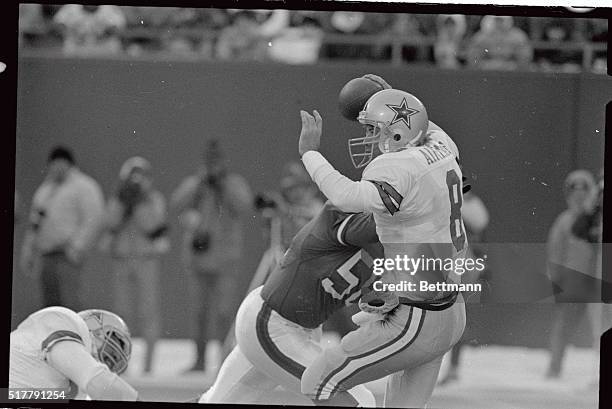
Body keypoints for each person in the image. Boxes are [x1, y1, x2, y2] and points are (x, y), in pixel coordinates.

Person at [298, 88, 467, 407]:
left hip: (419, 318)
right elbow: (420, 120)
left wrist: (310, 153)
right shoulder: (442, 145)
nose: (368, 137)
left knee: (317, 383)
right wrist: (386, 95)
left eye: (373, 129)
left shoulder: (399, 168)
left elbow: (346, 196)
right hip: (450, 309)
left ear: (399, 132)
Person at [199, 201, 380, 406]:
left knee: (217, 402)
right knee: (358, 400)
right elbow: (383, 222)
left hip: (297, 327)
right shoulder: (347, 209)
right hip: (273, 323)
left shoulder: (402, 246)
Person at [171, 140, 253, 374]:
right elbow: (176, 203)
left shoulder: (234, 184)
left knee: (224, 313)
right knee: (198, 313)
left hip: (225, 261)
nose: (213, 167)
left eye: (216, 162)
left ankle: (225, 362)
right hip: (198, 261)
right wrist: (199, 183)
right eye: (209, 163)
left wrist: (222, 185)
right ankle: (199, 361)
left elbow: (243, 205)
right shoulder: (196, 184)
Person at [101, 156, 169, 375]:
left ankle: (148, 366)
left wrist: (139, 203)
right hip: (122, 260)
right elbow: (110, 223)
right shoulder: (117, 199)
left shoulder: (154, 199)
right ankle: (123, 365)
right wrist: (123, 202)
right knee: (122, 313)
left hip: (146, 260)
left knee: (148, 312)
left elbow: (152, 226)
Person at [20, 146, 105, 311]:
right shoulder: (45, 190)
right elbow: (35, 224)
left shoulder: (83, 186)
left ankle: (74, 337)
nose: (57, 168)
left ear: (70, 164)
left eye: (61, 163)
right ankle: (54, 336)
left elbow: (94, 218)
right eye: (54, 164)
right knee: (50, 308)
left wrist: (76, 246)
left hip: (67, 255)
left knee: (71, 305)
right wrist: (28, 251)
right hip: (46, 255)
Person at [10, 306, 138, 401]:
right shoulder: (63, 319)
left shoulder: (69, 391)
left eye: (112, 361)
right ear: (93, 327)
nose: (108, 363)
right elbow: (99, 381)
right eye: (110, 352)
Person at [546, 169, 598, 378]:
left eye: (583, 194)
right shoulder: (564, 222)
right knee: (564, 325)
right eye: (574, 194)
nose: (579, 199)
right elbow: (555, 253)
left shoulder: (597, 222)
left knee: (599, 327)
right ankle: (554, 367)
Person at [438, 190, 490, 385]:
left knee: (455, 322)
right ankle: (447, 367)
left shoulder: (466, 207)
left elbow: (477, 236)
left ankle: (452, 367)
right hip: (454, 268)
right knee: (450, 322)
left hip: (460, 270)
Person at [53, 4, 126, 56]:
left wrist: (108, 31)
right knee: (69, 45)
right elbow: (57, 24)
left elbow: (119, 29)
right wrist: (68, 32)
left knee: (113, 44)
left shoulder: (109, 9)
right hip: (78, 45)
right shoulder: (71, 7)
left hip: (102, 46)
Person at [466, 15, 533, 70]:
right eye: (496, 20)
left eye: (501, 20)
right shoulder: (480, 37)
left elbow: (525, 58)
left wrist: (509, 66)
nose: (499, 23)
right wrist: (490, 66)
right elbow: (473, 60)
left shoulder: (519, 37)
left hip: (513, 74)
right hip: (486, 73)